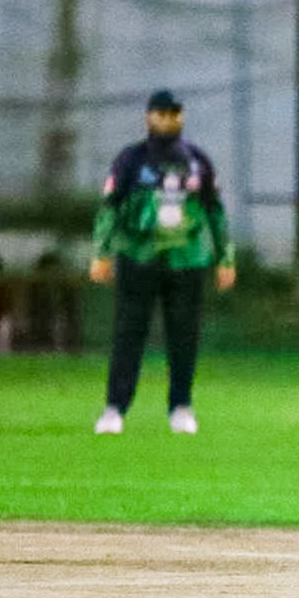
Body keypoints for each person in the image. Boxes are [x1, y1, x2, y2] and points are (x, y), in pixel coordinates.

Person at [89, 90, 236, 435]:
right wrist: (101, 253)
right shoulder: (132, 160)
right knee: (128, 333)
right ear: (149, 117)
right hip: (138, 256)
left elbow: (215, 211)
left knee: (184, 335)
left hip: (186, 259)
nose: (168, 120)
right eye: (161, 114)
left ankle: (181, 407)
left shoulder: (197, 160)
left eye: (174, 113)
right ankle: (115, 408)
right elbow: (110, 208)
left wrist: (225, 258)